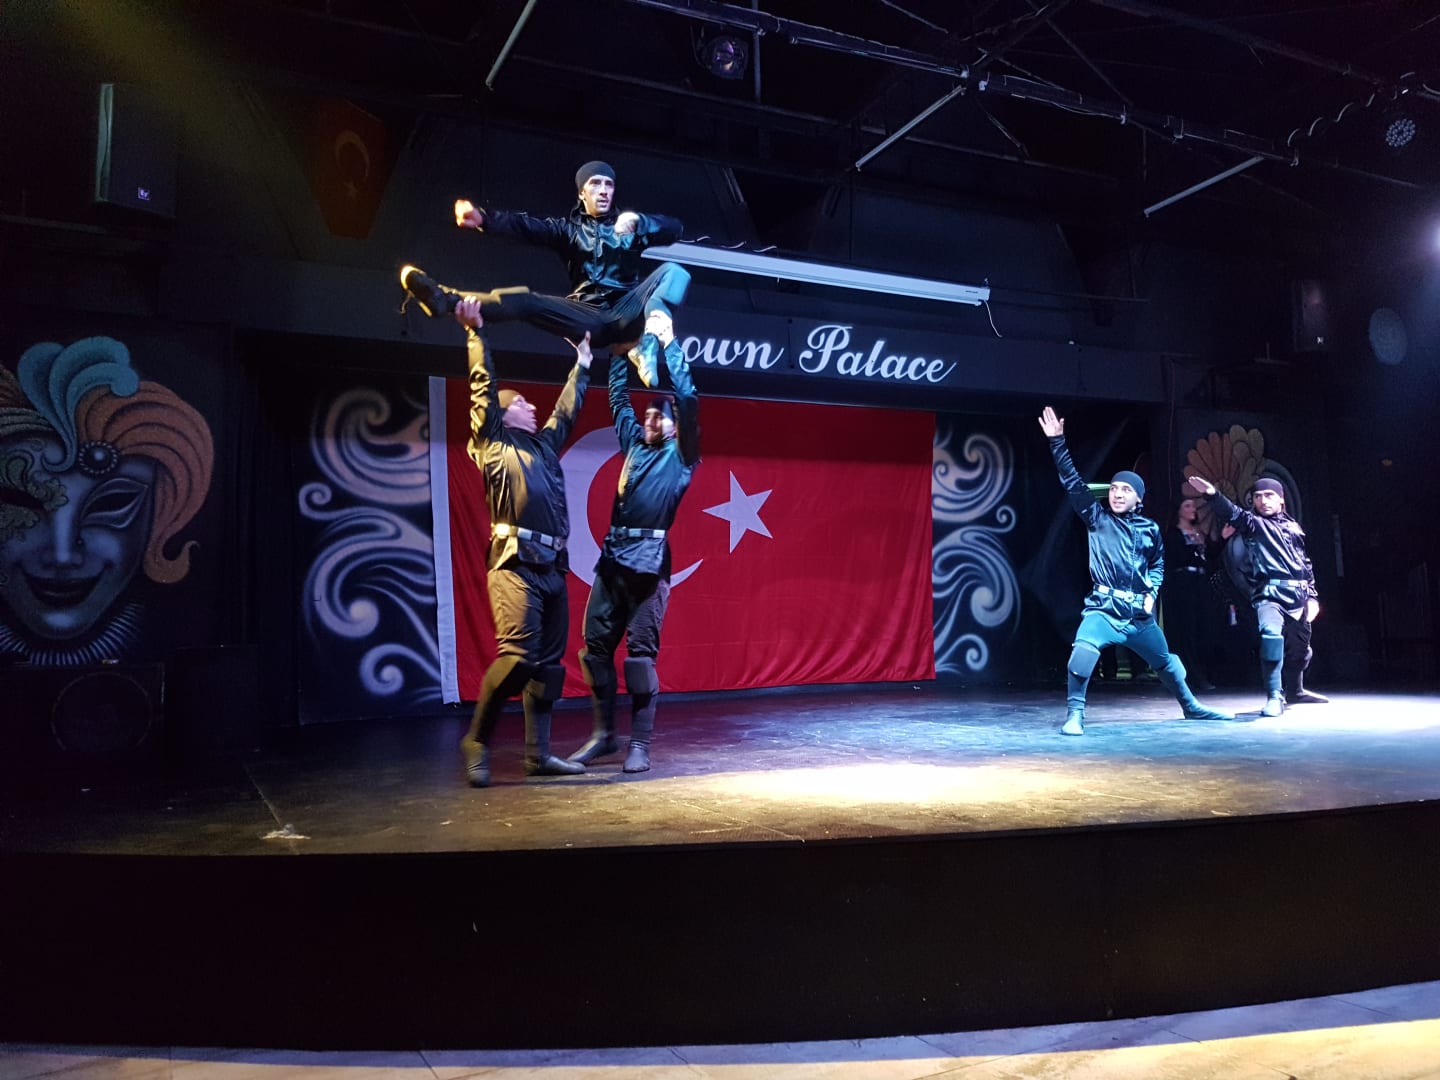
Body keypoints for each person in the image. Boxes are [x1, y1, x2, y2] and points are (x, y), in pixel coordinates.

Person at [454, 295, 590, 788]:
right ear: (504, 414)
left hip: (552, 564)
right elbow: (483, 388)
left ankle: (539, 756)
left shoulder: (545, 447)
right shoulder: (492, 441)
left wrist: (583, 364)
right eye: (522, 404)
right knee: (517, 658)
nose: (533, 407)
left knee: (549, 669)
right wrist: (475, 334)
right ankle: (477, 741)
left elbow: (566, 411)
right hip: (514, 563)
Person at [400, 161, 691, 385]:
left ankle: (647, 343)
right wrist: (484, 220)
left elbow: (675, 229)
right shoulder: (568, 231)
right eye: (595, 184)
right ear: (582, 192)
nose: (604, 190)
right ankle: (444, 300)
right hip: (588, 316)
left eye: (609, 185)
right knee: (527, 301)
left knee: (675, 272)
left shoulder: (629, 230)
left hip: (628, 311)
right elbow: (526, 226)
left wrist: (641, 221)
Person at [1038, 406, 1232, 735]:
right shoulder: (1097, 519)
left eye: (1125, 489)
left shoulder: (1150, 529)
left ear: (1138, 498)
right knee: (1082, 655)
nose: (1117, 493)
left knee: (1167, 663)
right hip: (1104, 609)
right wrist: (1057, 442)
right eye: (1114, 488)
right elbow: (1072, 483)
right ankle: (1075, 714)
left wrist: (1151, 593)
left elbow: (1157, 564)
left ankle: (1191, 706)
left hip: (1138, 615)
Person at [567, 311, 699, 773]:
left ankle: (639, 744)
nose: (649, 419)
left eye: (658, 415)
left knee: (640, 659)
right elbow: (618, 397)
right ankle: (604, 736)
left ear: (674, 426)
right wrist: (620, 351)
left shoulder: (682, 457)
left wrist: (669, 345)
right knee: (594, 651)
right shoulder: (634, 444)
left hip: (649, 566)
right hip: (613, 562)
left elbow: (687, 397)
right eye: (648, 415)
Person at [1185, 474, 1328, 716]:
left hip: (1298, 594)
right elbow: (1233, 513)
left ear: (1281, 499)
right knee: (1271, 635)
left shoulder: (1293, 527)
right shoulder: (1254, 523)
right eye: (1258, 496)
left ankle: (1295, 690)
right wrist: (1212, 494)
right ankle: (1274, 695)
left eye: (1269, 495)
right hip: (1269, 593)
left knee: (1300, 650)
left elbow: (1305, 564)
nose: (1263, 500)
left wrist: (1312, 597)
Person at [1162, 493, 1222, 691]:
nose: (1192, 509)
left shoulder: (1199, 532)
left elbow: (1211, 557)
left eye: (1193, 506)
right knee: (1186, 629)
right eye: (1187, 506)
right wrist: (1195, 550)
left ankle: (1205, 672)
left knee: (1203, 627)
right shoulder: (1173, 534)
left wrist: (1222, 539)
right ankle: (1189, 675)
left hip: (1200, 584)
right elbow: (1176, 558)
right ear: (1179, 511)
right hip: (1182, 586)